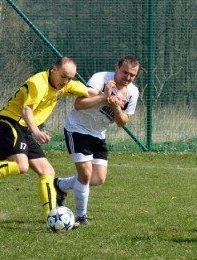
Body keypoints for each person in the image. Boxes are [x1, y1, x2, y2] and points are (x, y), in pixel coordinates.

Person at [0, 56, 101, 228]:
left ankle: (52, 218)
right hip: (10, 122)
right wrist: (36, 131)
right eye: (63, 76)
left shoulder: (64, 85)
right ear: (53, 70)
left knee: (47, 171)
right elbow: (26, 109)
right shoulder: (38, 83)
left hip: (25, 128)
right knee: (22, 167)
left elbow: (88, 92)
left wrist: (107, 94)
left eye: (70, 78)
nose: (66, 81)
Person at [54, 56, 140, 225]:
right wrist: (104, 96)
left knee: (98, 179)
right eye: (125, 72)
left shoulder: (133, 93)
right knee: (85, 174)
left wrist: (116, 108)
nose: (128, 78)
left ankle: (61, 185)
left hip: (98, 134)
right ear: (117, 67)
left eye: (132, 75)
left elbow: (122, 122)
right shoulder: (100, 79)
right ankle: (81, 216)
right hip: (77, 128)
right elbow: (78, 104)